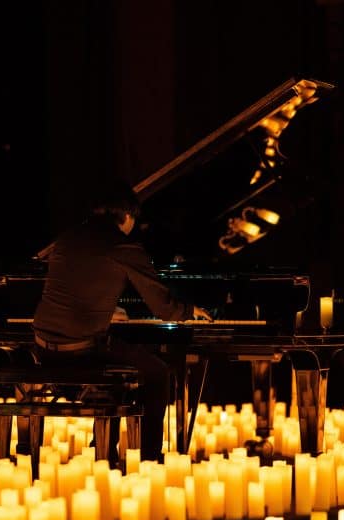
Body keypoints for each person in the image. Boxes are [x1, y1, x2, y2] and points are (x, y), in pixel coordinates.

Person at [31, 184, 211, 464]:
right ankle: (150, 456)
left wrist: (104, 309)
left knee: (116, 365)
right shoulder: (124, 246)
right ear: (127, 216)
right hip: (82, 352)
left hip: (42, 348)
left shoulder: (68, 238)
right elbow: (163, 308)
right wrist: (188, 309)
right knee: (157, 371)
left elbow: (77, 287)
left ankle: (103, 447)